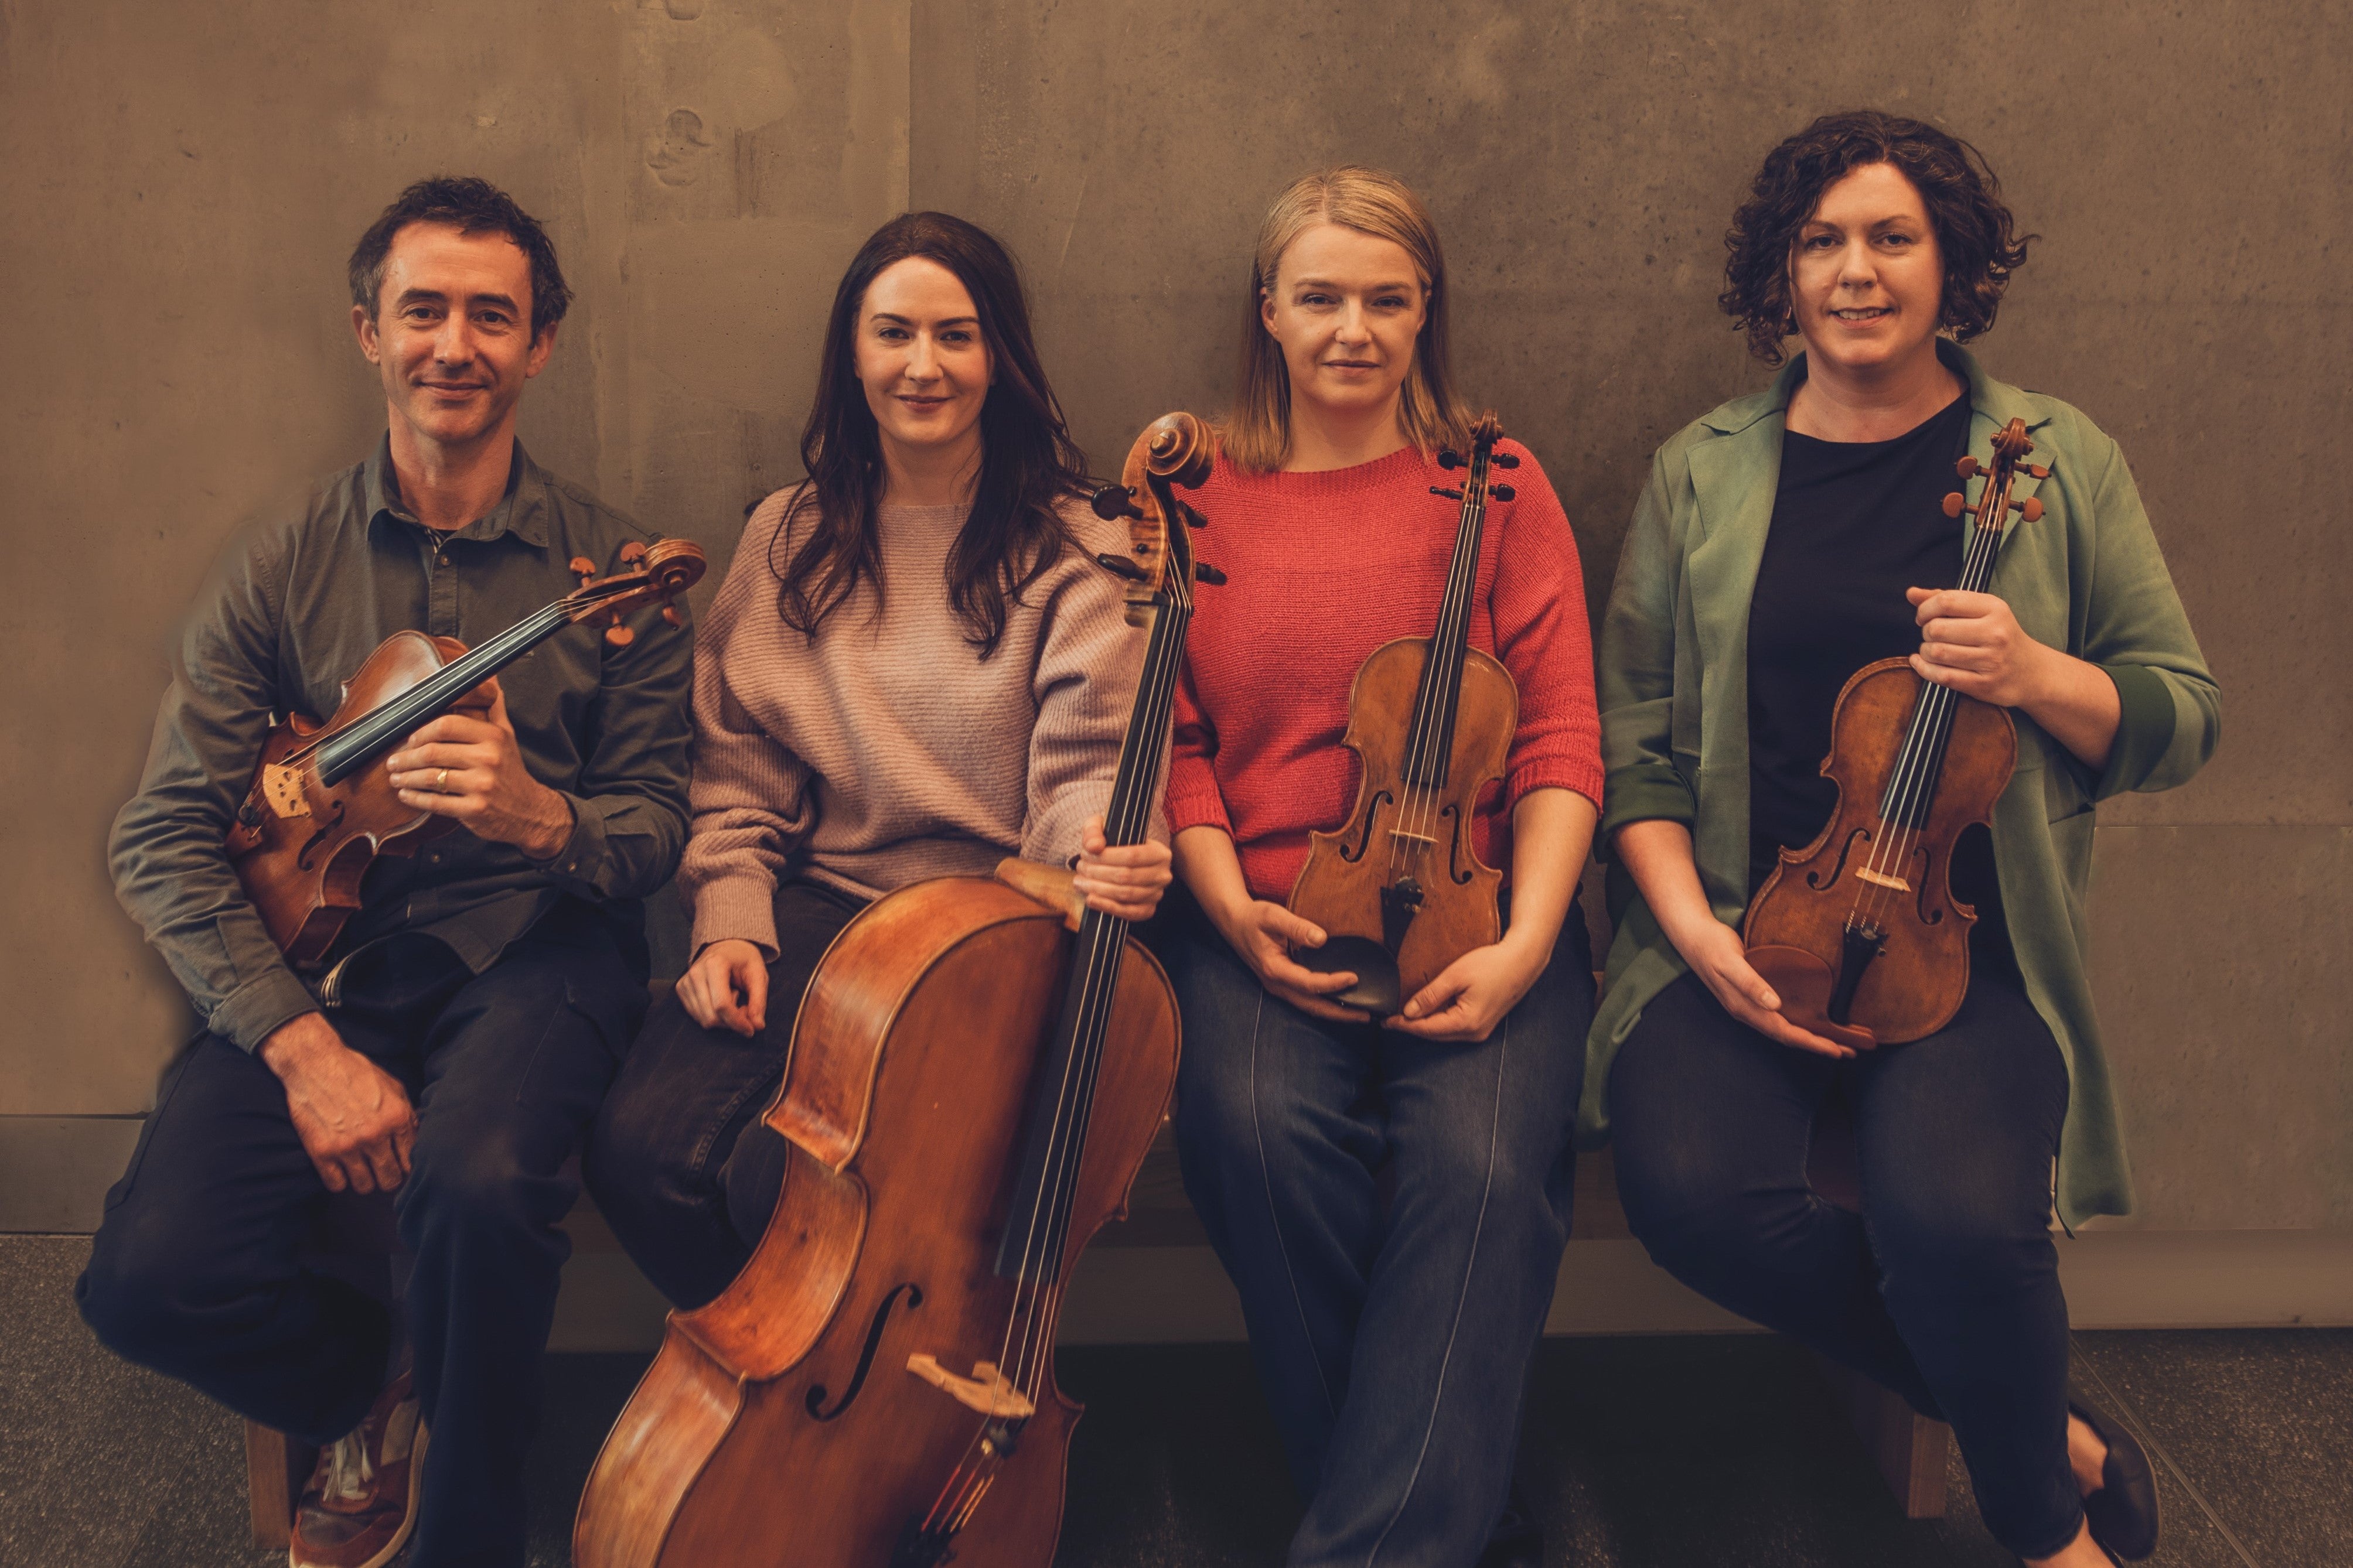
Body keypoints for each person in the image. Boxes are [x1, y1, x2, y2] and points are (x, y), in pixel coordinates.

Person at [1589, 111, 2218, 1567]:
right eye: (1822, 241)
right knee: (1696, 1204)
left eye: (1892, 238)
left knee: (1957, 1231)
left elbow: (2181, 714)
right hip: (1746, 928)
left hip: (1967, 951)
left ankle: (2045, 1536)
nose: (1856, 272)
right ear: (1781, 271)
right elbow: (1637, 751)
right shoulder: (1705, 470)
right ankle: (2044, 1426)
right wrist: (1699, 941)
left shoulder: (2053, 459)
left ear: (1954, 266)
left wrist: (2036, 673)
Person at [76, 177, 693, 1568]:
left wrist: (544, 818)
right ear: (369, 331)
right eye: (424, 310)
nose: (454, 345)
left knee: (476, 1188)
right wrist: (300, 1049)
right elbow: (163, 832)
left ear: (541, 347)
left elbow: (660, 824)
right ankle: (370, 1387)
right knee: (145, 1283)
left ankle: (464, 1535)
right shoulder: (283, 563)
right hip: (318, 962)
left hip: (531, 949)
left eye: (494, 315)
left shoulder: (619, 577)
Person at [585, 211, 1170, 1309]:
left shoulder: (1079, 545)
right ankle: (782, 1415)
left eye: (956, 335)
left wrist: (1093, 853)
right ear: (851, 353)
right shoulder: (783, 537)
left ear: (1000, 356)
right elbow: (735, 766)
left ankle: (856, 1437)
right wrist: (731, 923)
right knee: (645, 1154)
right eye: (893, 332)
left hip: (992, 926)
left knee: (800, 1180)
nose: (923, 364)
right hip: (824, 908)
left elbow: (1090, 766)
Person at [1150, 166, 1602, 1568]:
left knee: (1478, 1166)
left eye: (1387, 299)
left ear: (1426, 313)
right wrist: (1225, 909)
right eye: (1322, 296)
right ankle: (1459, 1502)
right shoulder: (1190, 487)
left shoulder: (1498, 483)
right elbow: (1164, 734)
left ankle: (1375, 1542)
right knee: (1260, 1141)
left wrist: (1526, 944)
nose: (1354, 327)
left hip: (1483, 907)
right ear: (1267, 311)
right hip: (1260, 905)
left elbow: (1561, 736)